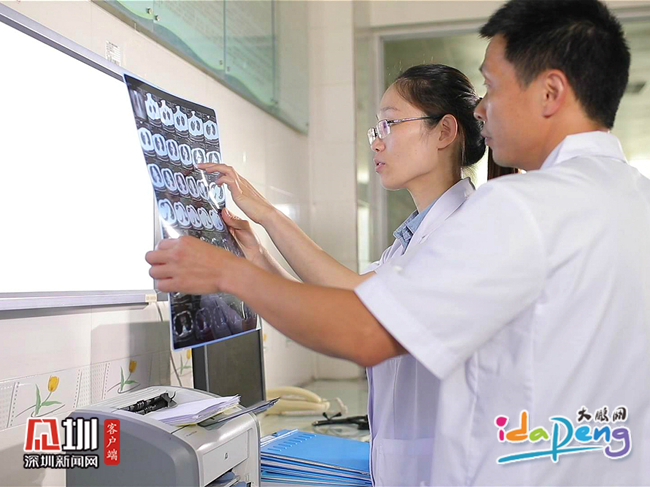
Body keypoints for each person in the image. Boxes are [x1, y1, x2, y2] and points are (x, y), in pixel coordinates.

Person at [146, 0, 650, 484]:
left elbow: (364, 329)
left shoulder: (522, 208)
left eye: (493, 86)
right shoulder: (633, 197)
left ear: (550, 92)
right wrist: (259, 252)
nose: (482, 107)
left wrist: (228, 272)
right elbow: (359, 298)